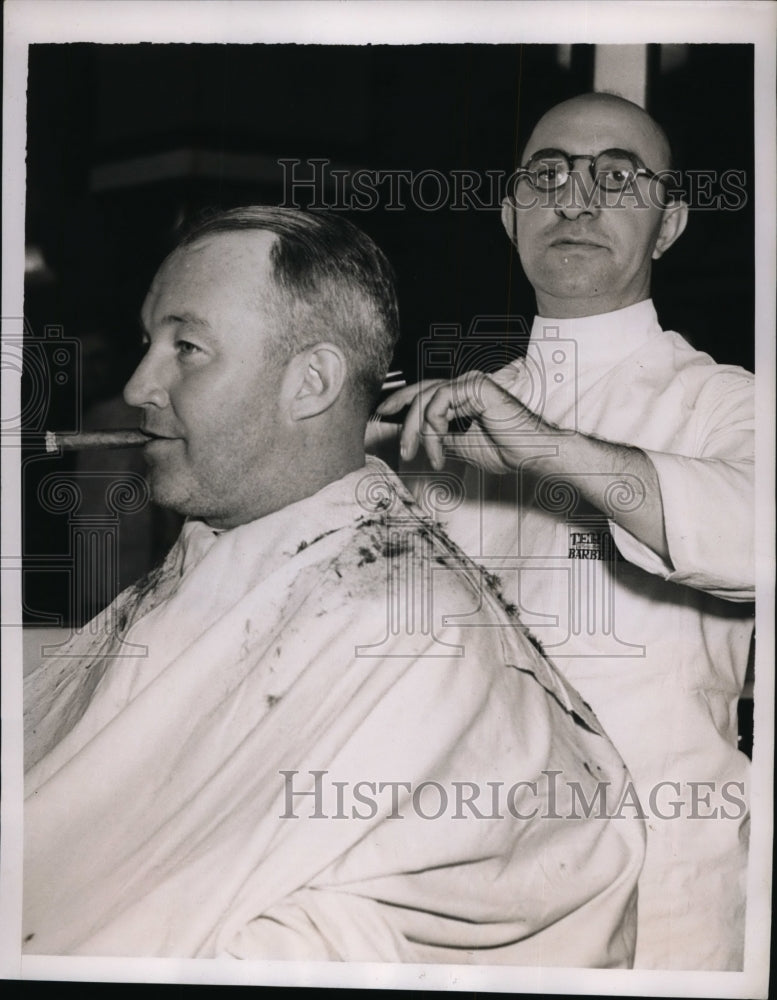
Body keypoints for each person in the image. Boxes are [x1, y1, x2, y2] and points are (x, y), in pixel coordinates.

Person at [23, 206, 645, 964]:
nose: (140, 384)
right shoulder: (211, 560)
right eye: (149, 340)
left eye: (186, 348)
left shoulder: (409, 630)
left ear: (310, 381)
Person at [379, 92, 755, 971]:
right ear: (511, 215)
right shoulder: (436, 425)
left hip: (665, 902)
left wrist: (546, 450)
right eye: (546, 175)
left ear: (667, 225)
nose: (575, 200)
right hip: (462, 899)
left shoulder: (725, 402)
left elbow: (754, 540)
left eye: (616, 177)